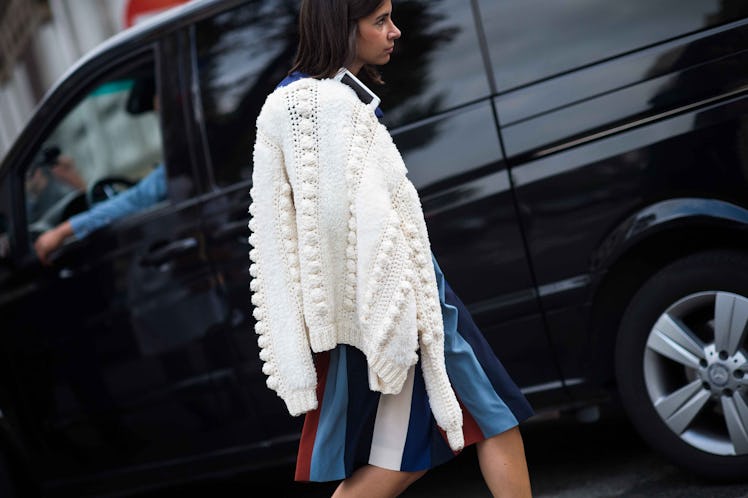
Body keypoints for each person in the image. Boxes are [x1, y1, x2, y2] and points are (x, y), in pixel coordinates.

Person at [247, 1, 534, 497]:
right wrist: (390, 308)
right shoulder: (320, 105)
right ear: (342, 26)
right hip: (401, 293)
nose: (395, 31)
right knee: (477, 422)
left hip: (400, 290)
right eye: (379, 20)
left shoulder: (316, 99)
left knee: (439, 440)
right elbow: (346, 221)